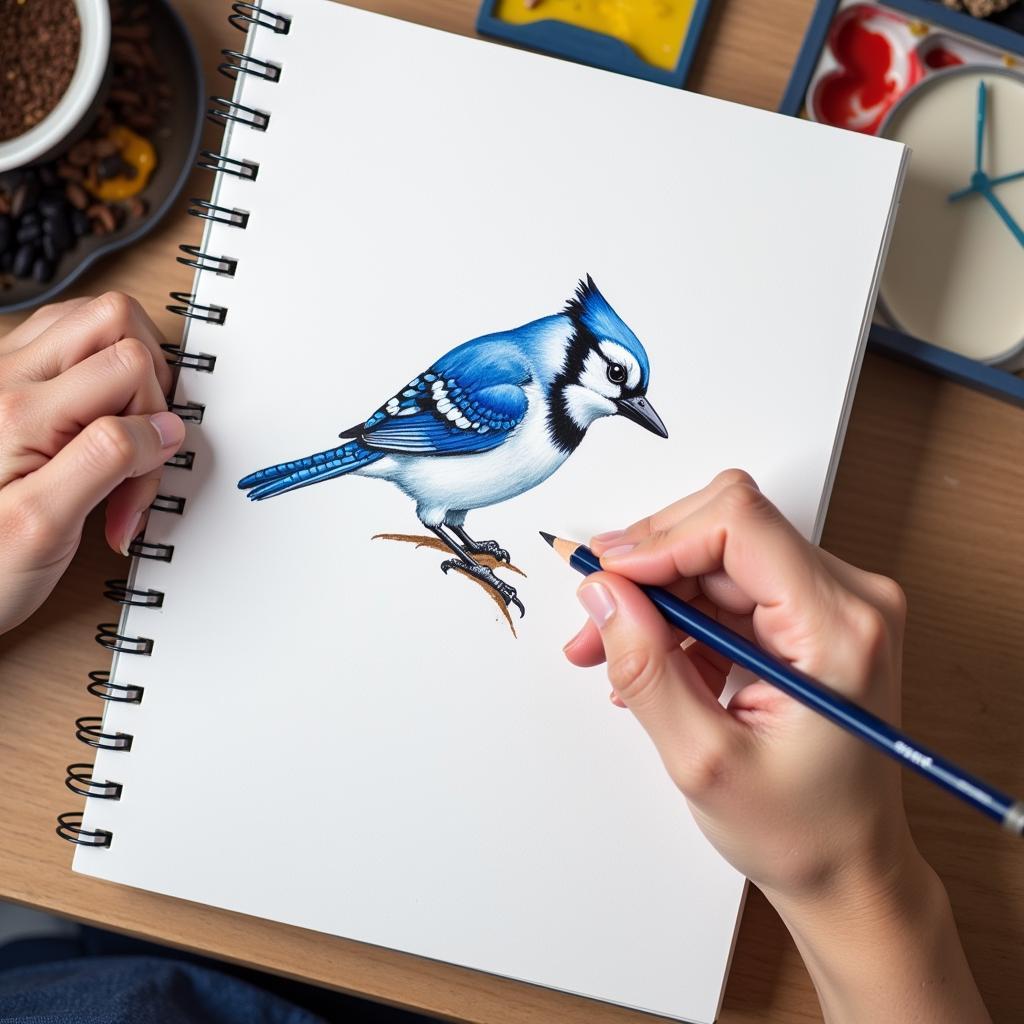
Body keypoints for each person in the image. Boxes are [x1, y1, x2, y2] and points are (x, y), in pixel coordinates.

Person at [0, 295, 991, 1022]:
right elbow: (412, 423)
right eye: (619, 381)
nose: (631, 404)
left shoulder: (540, 388)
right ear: (580, 356)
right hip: (406, 461)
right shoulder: (512, 383)